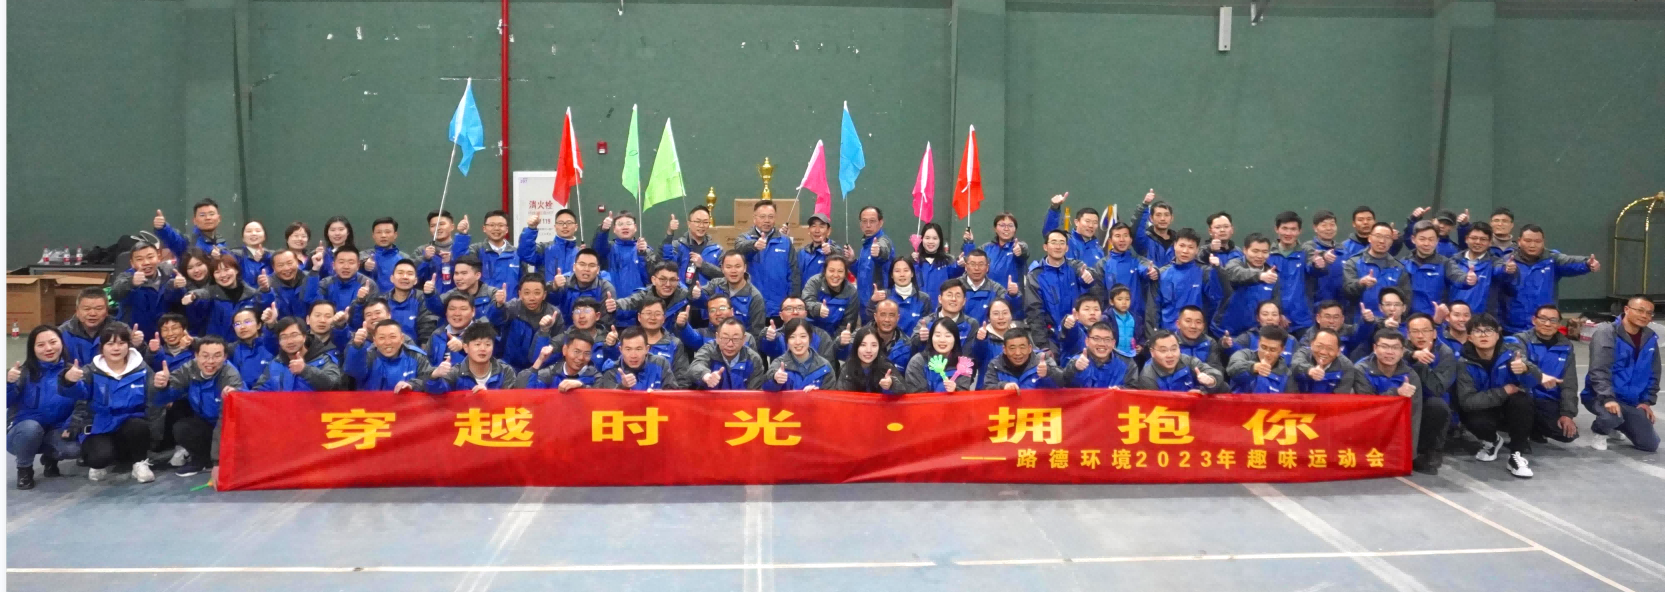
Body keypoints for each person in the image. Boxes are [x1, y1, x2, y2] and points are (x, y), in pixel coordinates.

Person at [67, 322, 163, 483]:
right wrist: (68, 381)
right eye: (110, 344)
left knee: (138, 426)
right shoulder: (90, 371)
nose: (116, 348)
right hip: (100, 426)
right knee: (99, 458)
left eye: (121, 343)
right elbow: (77, 395)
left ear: (128, 346)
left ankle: (139, 463)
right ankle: (102, 460)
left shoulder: (143, 370)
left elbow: (154, 403)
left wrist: (154, 436)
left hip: (131, 425)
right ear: (102, 347)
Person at [1455, 314, 1541, 478]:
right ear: (1469, 337)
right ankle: (1492, 440)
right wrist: (1503, 391)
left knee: (1522, 401)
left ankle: (1516, 454)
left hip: (1509, 408)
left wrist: (1525, 370)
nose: (1484, 335)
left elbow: (1535, 381)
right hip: (1483, 409)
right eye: (1477, 331)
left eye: (1488, 330)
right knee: (1471, 418)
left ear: (1497, 334)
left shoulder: (1512, 353)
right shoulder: (1463, 362)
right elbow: (1467, 401)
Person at [7, 326, 85, 489]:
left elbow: (82, 402)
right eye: (41, 345)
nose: (48, 348)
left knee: (74, 449)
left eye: (53, 342)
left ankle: (50, 458)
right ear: (32, 349)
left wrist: (71, 425)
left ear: (61, 343)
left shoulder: (72, 372)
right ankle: (24, 469)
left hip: (56, 430)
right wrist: (8, 384)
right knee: (31, 429)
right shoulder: (22, 373)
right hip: (24, 431)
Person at [1580, 296, 1660, 453]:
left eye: (1649, 313)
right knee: (1611, 416)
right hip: (1599, 396)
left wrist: (1646, 401)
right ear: (1626, 310)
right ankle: (1600, 430)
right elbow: (1599, 370)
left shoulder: (1650, 338)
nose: (1644, 316)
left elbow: (1654, 372)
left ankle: (1617, 425)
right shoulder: (1607, 332)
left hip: (1630, 400)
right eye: (1640, 310)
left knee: (1649, 444)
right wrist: (1607, 398)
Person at [156, 336, 242, 476]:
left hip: (232, 428)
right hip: (206, 421)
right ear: (196, 355)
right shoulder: (189, 368)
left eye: (217, 356)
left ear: (225, 357)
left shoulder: (230, 376)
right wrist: (162, 387)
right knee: (182, 427)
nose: (210, 361)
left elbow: (225, 421)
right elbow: (163, 399)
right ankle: (202, 460)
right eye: (205, 356)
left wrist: (218, 463)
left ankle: (222, 460)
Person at [1498, 225, 1598, 334]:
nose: (1532, 245)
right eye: (1528, 241)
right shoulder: (1506, 260)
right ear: (1519, 241)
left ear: (1543, 242)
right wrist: (1504, 269)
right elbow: (1495, 272)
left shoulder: (1553, 259)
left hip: (1545, 326)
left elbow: (1570, 261)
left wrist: (1587, 264)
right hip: (1512, 327)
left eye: (1537, 241)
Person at [1509, 305, 1580, 447]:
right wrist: (1539, 376)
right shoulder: (1519, 340)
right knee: (1519, 406)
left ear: (1559, 324)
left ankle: (1534, 429)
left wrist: (1567, 414)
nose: (1547, 324)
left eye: (1553, 320)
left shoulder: (1566, 346)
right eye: (1543, 319)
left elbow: (1569, 383)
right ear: (1534, 320)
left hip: (1547, 400)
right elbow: (1521, 361)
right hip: (1522, 397)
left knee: (1566, 434)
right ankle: (1518, 436)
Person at [1025, 229, 1105, 337]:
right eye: (1054, 242)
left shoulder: (1075, 266)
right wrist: (1042, 343)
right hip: (1050, 337)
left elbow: (1088, 274)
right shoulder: (1035, 275)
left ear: (1067, 248)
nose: (1058, 247)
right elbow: (1034, 312)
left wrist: (1088, 276)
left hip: (1076, 335)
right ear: (1045, 247)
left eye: (1062, 243)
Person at [182, 253, 268, 340]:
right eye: (217, 272)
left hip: (245, 345)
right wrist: (193, 296)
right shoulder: (211, 294)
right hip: (217, 345)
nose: (223, 275)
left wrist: (266, 290)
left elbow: (266, 309)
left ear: (236, 270)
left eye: (226, 269)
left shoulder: (252, 295)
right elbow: (201, 294)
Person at [1148, 229, 1220, 333]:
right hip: (1168, 336)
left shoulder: (1204, 272)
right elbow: (1154, 309)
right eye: (1182, 246)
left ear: (1197, 250)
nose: (1185, 251)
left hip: (1196, 335)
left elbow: (1216, 298)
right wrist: (1154, 335)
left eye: (1190, 247)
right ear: (1174, 245)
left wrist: (1217, 270)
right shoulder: (1162, 274)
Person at [734, 201, 796, 317]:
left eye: (770, 217)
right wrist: (754, 245)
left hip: (779, 307)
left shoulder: (785, 241)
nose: (767, 220)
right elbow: (739, 248)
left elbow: (793, 274)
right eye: (762, 217)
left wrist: (792, 301)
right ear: (754, 218)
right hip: (750, 307)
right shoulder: (744, 238)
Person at [255, 317, 345, 392]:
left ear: (304, 337)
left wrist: (305, 370)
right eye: (284, 337)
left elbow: (335, 386)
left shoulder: (324, 360)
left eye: (294, 335)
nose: (290, 341)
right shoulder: (275, 364)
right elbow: (259, 392)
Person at [1216, 233, 1280, 338]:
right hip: (1226, 331)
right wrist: (1260, 275)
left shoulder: (1272, 275)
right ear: (1245, 250)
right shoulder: (1234, 264)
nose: (1260, 256)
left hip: (1256, 335)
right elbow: (1232, 273)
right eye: (1255, 251)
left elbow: (1275, 302)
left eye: (1264, 252)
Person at [428, 322, 521, 392]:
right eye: (477, 344)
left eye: (488, 344)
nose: (483, 349)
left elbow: (510, 401)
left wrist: (488, 396)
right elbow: (437, 392)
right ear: (465, 347)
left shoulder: (505, 371)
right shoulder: (456, 373)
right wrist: (434, 376)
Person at [1343, 222, 1409, 320]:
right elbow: (1347, 292)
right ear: (1369, 238)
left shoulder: (1399, 268)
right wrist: (1360, 283)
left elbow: (1406, 300)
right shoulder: (1353, 263)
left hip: (1389, 323)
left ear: (1391, 241)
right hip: (1360, 322)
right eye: (1378, 236)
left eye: (1387, 237)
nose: (1382, 241)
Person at [345, 319, 433, 393]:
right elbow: (354, 372)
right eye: (382, 338)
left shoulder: (416, 356)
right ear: (375, 341)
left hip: (408, 407)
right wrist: (357, 346)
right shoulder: (367, 356)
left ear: (402, 338)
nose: (387, 342)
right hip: (372, 406)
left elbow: (429, 380)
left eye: (392, 337)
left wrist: (412, 384)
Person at [499, 275, 563, 371]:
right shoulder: (513, 308)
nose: (532, 298)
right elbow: (494, 321)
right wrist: (499, 306)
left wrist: (545, 331)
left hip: (542, 369)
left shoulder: (554, 314)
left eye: (537, 293)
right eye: (527, 293)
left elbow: (558, 345)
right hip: (511, 367)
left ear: (544, 295)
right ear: (520, 294)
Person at [1127, 330, 1224, 394]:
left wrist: (1211, 381)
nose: (1170, 355)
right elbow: (1156, 406)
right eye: (1163, 350)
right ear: (1152, 352)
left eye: (1174, 349)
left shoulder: (1188, 361)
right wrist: (1187, 399)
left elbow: (1216, 374)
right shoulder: (1148, 376)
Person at [111, 241, 177, 331]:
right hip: (134, 335)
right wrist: (131, 283)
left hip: (166, 334)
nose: (146, 262)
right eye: (139, 259)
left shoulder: (169, 274)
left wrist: (180, 287)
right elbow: (114, 294)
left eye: (150, 257)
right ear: (132, 263)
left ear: (159, 257)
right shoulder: (126, 277)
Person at [1100, 222, 1158, 326]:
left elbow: (1147, 268)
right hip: (1111, 322)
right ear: (1110, 241)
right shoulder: (1102, 264)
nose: (1122, 240)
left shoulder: (1138, 261)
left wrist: (1152, 271)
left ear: (1130, 240)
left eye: (1125, 236)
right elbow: (1098, 294)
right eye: (1118, 236)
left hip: (1137, 321)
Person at [962, 213, 1029, 299]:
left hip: (1011, 298)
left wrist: (1020, 250)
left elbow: (1024, 250)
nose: (1006, 229)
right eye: (1002, 225)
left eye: (1010, 225)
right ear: (995, 228)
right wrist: (969, 243)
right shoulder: (986, 248)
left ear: (1015, 229)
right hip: (988, 298)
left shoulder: (1018, 247)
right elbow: (971, 260)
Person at [687, 319, 768, 391]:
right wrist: (706, 376)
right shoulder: (709, 349)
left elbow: (754, 394)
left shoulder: (753, 359)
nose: (730, 344)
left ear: (743, 340)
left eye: (735, 339)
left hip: (742, 403)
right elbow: (695, 366)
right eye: (725, 338)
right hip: (710, 402)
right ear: (717, 338)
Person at [697, 251, 766, 334]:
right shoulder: (715, 284)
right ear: (722, 269)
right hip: (713, 338)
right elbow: (700, 301)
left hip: (741, 340)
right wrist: (697, 295)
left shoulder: (755, 297)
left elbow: (756, 333)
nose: (733, 271)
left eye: (737, 266)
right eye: (728, 267)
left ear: (745, 268)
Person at [1269, 212, 1315, 333]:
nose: (1288, 233)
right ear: (1276, 229)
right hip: (1274, 320)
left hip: (1303, 321)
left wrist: (1319, 265)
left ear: (1299, 231)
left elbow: (1316, 271)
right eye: (1284, 228)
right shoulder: (1266, 255)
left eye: (1293, 229)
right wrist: (1277, 313)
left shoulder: (1307, 253)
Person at [846, 206, 895, 320]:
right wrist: (852, 261)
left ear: (880, 223)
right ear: (860, 224)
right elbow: (863, 273)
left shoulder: (883, 241)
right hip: (864, 305)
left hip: (879, 305)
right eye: (864, 221)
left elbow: (883, 251)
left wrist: (879, 252)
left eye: (872, 221)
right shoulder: (866, 245)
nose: (868, 225)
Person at [761, 297, 842, 364]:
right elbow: (767, 349)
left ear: (805, 314)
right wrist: (767, 337)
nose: (795, 312)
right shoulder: (776, 337)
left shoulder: (822, 336)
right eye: (789, 309)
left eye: (799, 308)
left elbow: (828, 366)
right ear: (781, 315)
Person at [593, 211, 656, 297]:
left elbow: (651, 279)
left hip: (638, 302)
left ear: (635, 227)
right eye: (620, 224)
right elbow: (597, 250)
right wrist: (603, 230)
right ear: (614, 229)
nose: (625, 227)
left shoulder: (645, 250)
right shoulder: (608, 248)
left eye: (628, 223)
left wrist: (642, 254)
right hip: (611, 300)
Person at [549, 248, 618, 327]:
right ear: (574, 267)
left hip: (594, 333)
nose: (586, 269)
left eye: (591, 265)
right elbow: (550, 303)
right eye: (582, 264)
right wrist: (554, 287)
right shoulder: (563, 282)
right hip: (565, 332)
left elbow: (606, 323)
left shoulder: (605, 288)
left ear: (598, 270)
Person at [1446, 223, 1503, 316]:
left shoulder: (1495, 263)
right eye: (1474, 238)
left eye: (1483, 239)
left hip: (1482, 319)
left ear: (1490, 242)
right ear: (1466, 239)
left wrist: (1508, 270)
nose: (1478, 242)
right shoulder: (1453, 261)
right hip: (1455, 317)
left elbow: (1503, 272)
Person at [904, 318, 976, 393]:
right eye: (937, 335)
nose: (942, 340)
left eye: (947, 336)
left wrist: (955, 390)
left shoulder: (963, 364)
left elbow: (964, 395)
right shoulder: (918, 362)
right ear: (931, 338)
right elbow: (916, 395)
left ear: (955, 339)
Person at [763, 319, 835, 391]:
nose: (798, 342)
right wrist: (775, 379)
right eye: (792, 337)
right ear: (786, 341)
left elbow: (831, 395)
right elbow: (765, 388)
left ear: (810, 338)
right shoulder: (778, 364)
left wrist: (817, 394)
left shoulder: (824, 367)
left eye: (803, 336)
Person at [661, 205, 726, 287]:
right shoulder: (678, 246)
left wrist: (703, 265)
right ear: (689, 223)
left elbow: (725, 276)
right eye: (698, 221)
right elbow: (665, 263)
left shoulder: (717, 250)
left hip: (707, 294)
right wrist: (670, 233)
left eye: (705, 222)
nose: (701, 225)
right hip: (682, 293)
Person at [596, 327, 677, 390]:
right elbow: (608, 402)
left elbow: (674, 396)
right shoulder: (611, 371)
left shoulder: (660, 363)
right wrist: (623, 387)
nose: (633, 355)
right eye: (628, 349)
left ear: (647, 349)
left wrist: (656, 395)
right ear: (620, 350)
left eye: (638, 349)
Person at [318, 246, 378, 330]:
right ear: (333, 265)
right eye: (341, 262)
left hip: (360, 333)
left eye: (351, 262)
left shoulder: (368, 285)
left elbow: (371, 318)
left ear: (358, 266)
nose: (346, 266)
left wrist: (360, 301)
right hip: (329, 331)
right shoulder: (325, 283)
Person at [617, 262, 692, 329]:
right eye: (663, 279)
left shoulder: (684, 296)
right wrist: (614, 304)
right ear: (653, 280)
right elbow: (629, 302)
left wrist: (682, 326)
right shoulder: (645, 295)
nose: (668, 284)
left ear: (678, 281)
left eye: (672, 280)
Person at [1058, 322, 1134, 388]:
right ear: (1087, 341)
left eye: (1107, 339)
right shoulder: (1078, 362)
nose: (1102, 344)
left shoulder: (1127, 363)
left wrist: (1121, 391)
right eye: (1096, 339)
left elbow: (1134, 389)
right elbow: (1064, 384)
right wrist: (1074, 369)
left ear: (1113, 343)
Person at [416, 209, 473, 294]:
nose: (437, 228)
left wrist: (462, 235)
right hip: (431, 298)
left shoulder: (464, 248)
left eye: (441, 224)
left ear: (452, 227)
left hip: (459, 298)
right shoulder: (421, 251)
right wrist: (425, 259)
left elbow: (470, 275)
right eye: (433, 226)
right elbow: (414, 279)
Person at [519, 209, 584, 283]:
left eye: (569, 223)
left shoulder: (581, 253)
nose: (565, 226)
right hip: (547, 290)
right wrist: (531, 229)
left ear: (576, 227)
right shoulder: (544, 249)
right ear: (555, 227)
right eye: (560, 223)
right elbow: (525, 254)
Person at [1289, 329, 1363, 394]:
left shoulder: (1346, 366)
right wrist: (1309, 370)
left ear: (1338, 351)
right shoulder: (1302, 353)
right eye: (1319, 346)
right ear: (1311, 344)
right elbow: (1295, 364)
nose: (1323, 352)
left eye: (1330, 348)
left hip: (1330, 404)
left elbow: (1340, 397)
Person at [915, 280, 982, 351]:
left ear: (964, 301)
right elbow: (914, 349)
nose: (953, 299)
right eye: (949, 295)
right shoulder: (926, 323)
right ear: (940, 299)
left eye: (958, 296)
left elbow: (971, 352)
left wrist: (982, 340)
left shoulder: (971, 324)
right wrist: (920, 339)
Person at [1401, 221, 1450, 317]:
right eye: (1422, 239)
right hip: (1407, 319)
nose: (1426, 243)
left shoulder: (1446, 263)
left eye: (1431, 239)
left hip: (1435, 319)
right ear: (1413, 239)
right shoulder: (1403, 263)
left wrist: (1467, 280)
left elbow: (1458, 279)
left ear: (1437, 240)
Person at [465, 210, 524, 290]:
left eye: (501, 225)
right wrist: (462, 235)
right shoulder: (476, 250)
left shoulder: (517, 254)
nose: (496, 228)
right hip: (483, 298)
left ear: (507, 229)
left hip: (510, 298)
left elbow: (524, 283)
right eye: (492, 225)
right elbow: (460, 261)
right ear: (484, 228)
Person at [1041, 194, 1104, 266]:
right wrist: (1054, 208)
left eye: (1095, 222)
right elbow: (1049, 232)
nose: (1091, 225)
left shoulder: (1099, 250)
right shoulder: (1066, 240)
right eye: (1087, 221)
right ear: (1076, 222)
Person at [982, 330, 1057, 390]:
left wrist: (1048, 373)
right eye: (1012, 348)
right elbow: (987, 388)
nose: (1018, 353)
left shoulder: (1043, 359)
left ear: (1030, 348)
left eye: (1022, 347)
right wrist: (1003, 386)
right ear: (1004, 349)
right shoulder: (996, 365)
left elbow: (1060, 385)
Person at [1226, 326, 1294, 394]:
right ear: (1258, 343)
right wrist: (1253, 367)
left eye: (1272, 350)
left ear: (1282, 350)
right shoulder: (1244, 355)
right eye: (1263, 347)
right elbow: (1232, 368)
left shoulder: (1287, 375)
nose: (1266, 353)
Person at [876, 258, 932, 338]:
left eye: (906, 270)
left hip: (914, 344)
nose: (902, 274)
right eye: (897, 271)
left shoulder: (924, 298)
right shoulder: (883, 296)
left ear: (912, 274)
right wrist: (872, 302)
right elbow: (871, 324)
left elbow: (927, 325)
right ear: (891, 275)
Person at [526, 333, 602, 392]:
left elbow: (599, 400)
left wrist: (582, 387)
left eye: (587, 353)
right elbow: (530, 395)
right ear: (564, 350)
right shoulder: (550, 374)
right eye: (576, 351)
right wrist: (540, 360)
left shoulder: (595, 377)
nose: (581, 357)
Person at [153, 198, 228, 259]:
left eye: (211, 214)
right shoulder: (188, 243)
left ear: (219, 218)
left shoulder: (221, 242)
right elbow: (173, 238)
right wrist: (163, 228)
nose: (208, 218)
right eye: (202, 215)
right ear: (194, 220)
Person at [803, 255, 858, 335]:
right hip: (811, 334)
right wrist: (817, 308)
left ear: (845, 273)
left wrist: (834, 341)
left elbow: (848, 323)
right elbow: (805, 303)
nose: (835, 275)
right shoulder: (814, 282)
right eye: (831, 271)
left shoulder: (851, 292)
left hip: (836, 338)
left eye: (840, 271)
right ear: (825, 271)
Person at [956, 249, 1015, 323]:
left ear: (987, 268)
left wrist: (1013, 296)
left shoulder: (996, 289)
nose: (976, 268)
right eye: (973, 264)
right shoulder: (955, 286)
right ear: (966, 266)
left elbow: (1011, 311)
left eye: (981, 264)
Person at [1351, 288, 1409, 360]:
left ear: (1404, 308)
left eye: (1397, 305)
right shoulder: (1373, 324)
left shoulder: (1411, 327)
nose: (1392, 308)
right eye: (1388, 304)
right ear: (1380, 307)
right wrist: (1368, 322)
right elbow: (1359, 338)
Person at [836, 328, 899, 394]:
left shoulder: (886, 366)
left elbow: (903, 389)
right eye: (863, 345)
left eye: (874, 345)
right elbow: (841, 396)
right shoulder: (847, 369)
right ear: (856, 347)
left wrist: (892, 384)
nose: (868, 350)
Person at [59, 288, 111, 366]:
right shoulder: (62, 333)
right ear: (77, 311)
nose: (92, 313)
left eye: (98, 309)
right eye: (87, 309)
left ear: (107, 311)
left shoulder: (120, 331)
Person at [913, 223, 963, 303]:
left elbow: (962, 265)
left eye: (935, 238)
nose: (931, 242)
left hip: (940, 308)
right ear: (921, 240)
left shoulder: (947, 263)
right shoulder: (914, 262)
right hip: (919, 307)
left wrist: (968, 243)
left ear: (940, 240)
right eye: (927, 238)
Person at [795, 213, 843, 295]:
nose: (817, 230)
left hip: (827, 300)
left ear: (828, 231)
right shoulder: (802, 253)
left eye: (821, 226)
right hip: (805, 299)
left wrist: (830, 251)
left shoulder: (834, 250)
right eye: (813, 226)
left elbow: (840, 254)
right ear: (809, 230)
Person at [227, 307, 275, 389]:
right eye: (237, 324)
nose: (242, 327)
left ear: (259, 325)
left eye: (247, 322)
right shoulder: (231, 350)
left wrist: (271, 325)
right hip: (242, 394)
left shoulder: (270, 344)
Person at [363, 217, 414, 292]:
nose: (383, 235)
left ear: (395, 235)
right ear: (373, 235)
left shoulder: (405, 258)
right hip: (371, 299)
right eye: (379, 232)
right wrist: (364, 266)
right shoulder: (364, 255)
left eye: (387, 232)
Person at [267, 249, 319, 321]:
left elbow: (317, 302)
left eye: (290, 263)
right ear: (273, 267)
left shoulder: (310, 278)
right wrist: (264, 291)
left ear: (297, 262)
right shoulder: (268, 284)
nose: (286, 268)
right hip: (281, 326)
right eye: (280, 265)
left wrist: (316, 268)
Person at [1306, 210, 1345, 304]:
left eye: (1332, 224)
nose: (1329, 228)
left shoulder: (1344, 250)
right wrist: (1323, 256)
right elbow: (1311, 264)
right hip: (1318, 305)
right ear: (1315, 228)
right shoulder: (1308, 247)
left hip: (1342, 305)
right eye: (1324, 225)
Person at [1132, 190, 1176, 267]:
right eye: (1158, 215)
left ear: (1171, 218)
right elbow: (1135, 230)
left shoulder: (1178, 241)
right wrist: (1145, 205)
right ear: (1151, 218)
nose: (1163, 219)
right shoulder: (1144, 241)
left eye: (1166, 215)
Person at [1056, 295, 1105, 360]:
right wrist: (1068, 324)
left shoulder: (1105, 332)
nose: (1092, 313)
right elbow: (1070, 331)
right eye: (1086, 309)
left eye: (1096, 309)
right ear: (1077, 314)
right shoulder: (1076, 332)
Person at [1174, 306, 1223, 370]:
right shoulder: (1169, 342)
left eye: (1198, 322)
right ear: (1178, 324)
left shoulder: (1210, 342)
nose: (1193, 326)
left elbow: (1216, 369)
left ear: (1203, 326)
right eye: (1188, 321)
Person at [232, 220, 274, 287]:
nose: (254, 233)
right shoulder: (235, 255)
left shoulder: (273, 256)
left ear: (264, 236)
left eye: (258, 231)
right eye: (249, 231)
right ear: (243, 238)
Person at [1105, 286, 1142, 358]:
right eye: (1120, 299)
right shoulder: (1107, 318)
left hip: (1131, 355)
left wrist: (1141, 345)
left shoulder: (1136, 318)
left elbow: (1141, 335)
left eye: (1127, 299)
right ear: (1111, 302)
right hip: (1114, 355)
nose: (1124, 302)